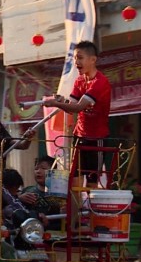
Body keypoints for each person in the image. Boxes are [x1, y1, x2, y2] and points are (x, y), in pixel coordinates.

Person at [42, 40, 111, 188]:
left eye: (80, 58)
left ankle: (90, 210)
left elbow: (78, 107)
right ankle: (77, 210)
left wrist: (55, 104)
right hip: (79, 135)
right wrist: (61, 101)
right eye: (74, 58)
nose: (76, 62)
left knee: (92, 180)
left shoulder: (100, 82)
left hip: (96, 138)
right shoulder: (79, 81)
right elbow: (70, 105)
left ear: (93, 60)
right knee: (75, 178)